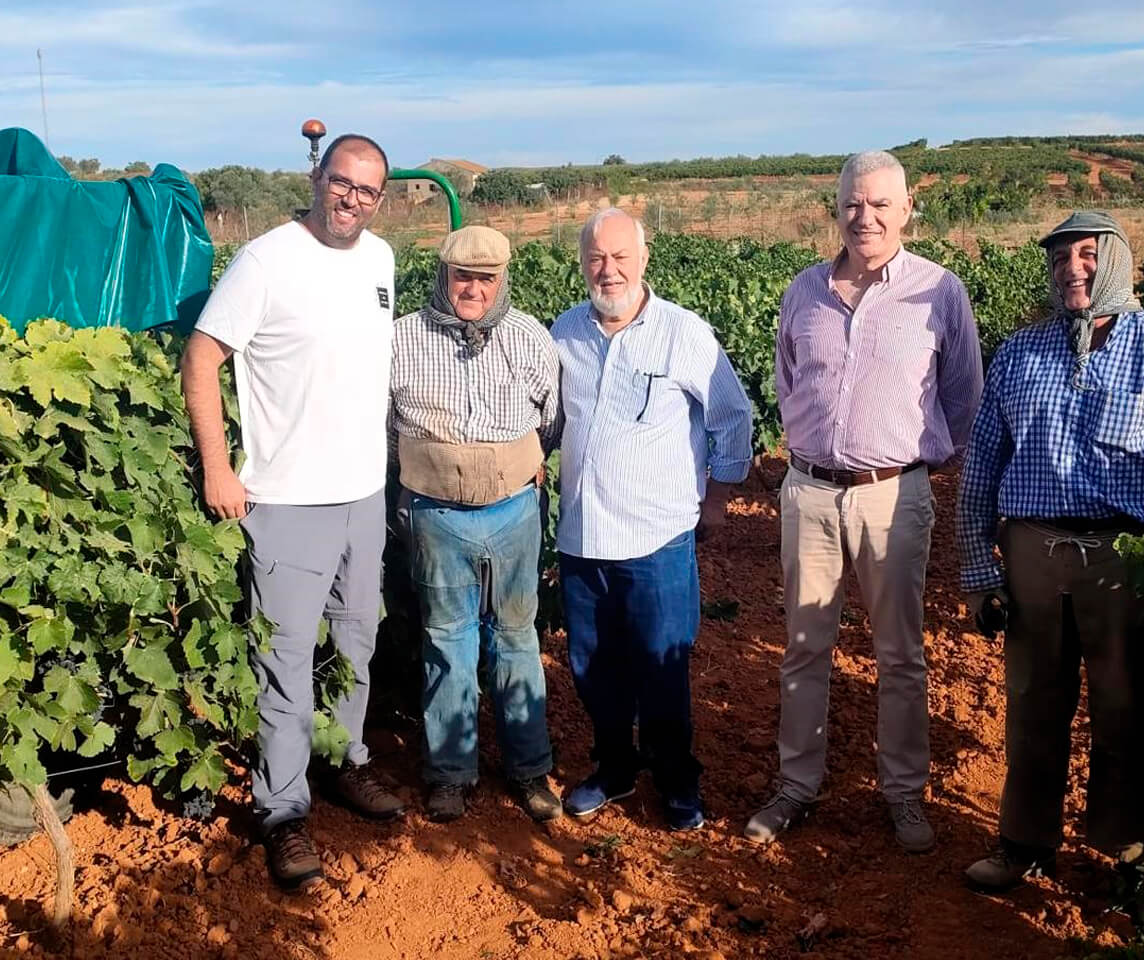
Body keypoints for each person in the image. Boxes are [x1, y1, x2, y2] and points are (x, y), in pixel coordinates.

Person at [956, 210, 1144, 892]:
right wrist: (977, 565)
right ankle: (1024, 845)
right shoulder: (1020, 352)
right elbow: (984, 460)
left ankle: (1130, 860)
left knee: (1129, 712)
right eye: (1058, 259)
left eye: (1086, 255)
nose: (1070, 269)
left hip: (1130, 561)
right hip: (1034, 552)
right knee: (1031, 705)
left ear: (1116, 263)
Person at [744, 150, 985, 854]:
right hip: (809, 492)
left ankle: (904, 794)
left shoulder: (939, 292)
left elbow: (964, 397)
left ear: (908, 210)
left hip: (893, 495)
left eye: (881, 204)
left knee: (900, 654)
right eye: (854, 203)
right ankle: (796, 787)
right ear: (837, 208)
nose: (866, 216)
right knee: (803, 647)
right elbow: (791, 380)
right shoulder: (804, 291)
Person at [181, 134, 404, 891]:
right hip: (287, 500)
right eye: (340, 182)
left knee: (356, 643)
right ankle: (282, 812)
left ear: (382, 199)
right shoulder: (267, 260)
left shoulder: (380, 262)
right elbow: (202, 354)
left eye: (367, 190)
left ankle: (346, 762)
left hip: (364, 496)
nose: (351, 198)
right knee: (285, 667)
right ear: (318, 178)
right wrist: (218, 465)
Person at [552, 207, 752, 832]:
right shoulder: (565, 332)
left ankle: (676, 781)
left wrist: (716, 502)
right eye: (595, 259)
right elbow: (549, 421)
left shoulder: (683, 333)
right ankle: (613, 769)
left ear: (644, 260)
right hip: (582, 536)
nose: (607, 271)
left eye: (619, 258)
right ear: (582, 263)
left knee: (662, 665)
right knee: (591, 666)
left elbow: (733, 418)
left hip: (656, 537)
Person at [388, 225, 562, 825]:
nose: (474, 289)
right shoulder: (403, 340)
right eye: (463, 276)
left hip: (514, 511)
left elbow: (551, 419)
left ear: (501, 281)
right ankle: (451, 774)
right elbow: (384, 426)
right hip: (435, 516)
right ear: (443, 275)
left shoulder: (528, 338)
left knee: (516, 636)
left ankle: (529, 769)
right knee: (447, 640)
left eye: (486, 279)